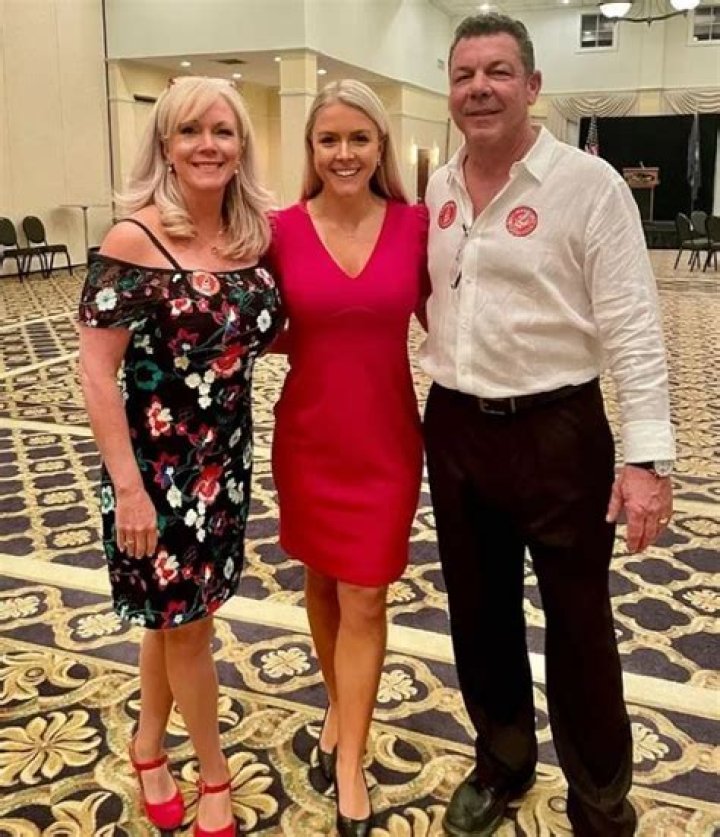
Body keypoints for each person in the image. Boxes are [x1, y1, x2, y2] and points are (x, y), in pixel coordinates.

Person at [421, 14, 674, 837]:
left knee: (578, 622)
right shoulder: (439, 189)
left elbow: (634, 324)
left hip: (559, 430)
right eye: (464, 75)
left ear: (532, 86)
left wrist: (647, 458)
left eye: (498, 72)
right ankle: (502, 761)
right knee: (478, 612)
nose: (479, 88)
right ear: (449, 92)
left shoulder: (587, 185)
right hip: (456, 427)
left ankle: (600, 798)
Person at [78, 76, 281, 837]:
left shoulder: (249, 238)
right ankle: (214, 774)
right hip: (155, 474)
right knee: (190, 629)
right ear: (165, 144)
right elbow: (95, 372)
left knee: (173, 620)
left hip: (224, 466)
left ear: (241, 145)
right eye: (190, 131)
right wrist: (129, 490)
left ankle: (147, 746)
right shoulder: (133, 240)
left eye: (223, 131)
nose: (208, 145)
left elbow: (254, 334)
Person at [269, 79, 428, 836]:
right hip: (309, 439)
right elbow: (245, 322)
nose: (343, 153)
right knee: (323, 581)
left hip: (387, 442)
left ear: (380, 146)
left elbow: (459, 318)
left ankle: (351, 758)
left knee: (366, 593)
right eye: (328, 139)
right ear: (310, 148)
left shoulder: (416, 225)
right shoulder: (279, 231)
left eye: (358, 138)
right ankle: (340, 704)